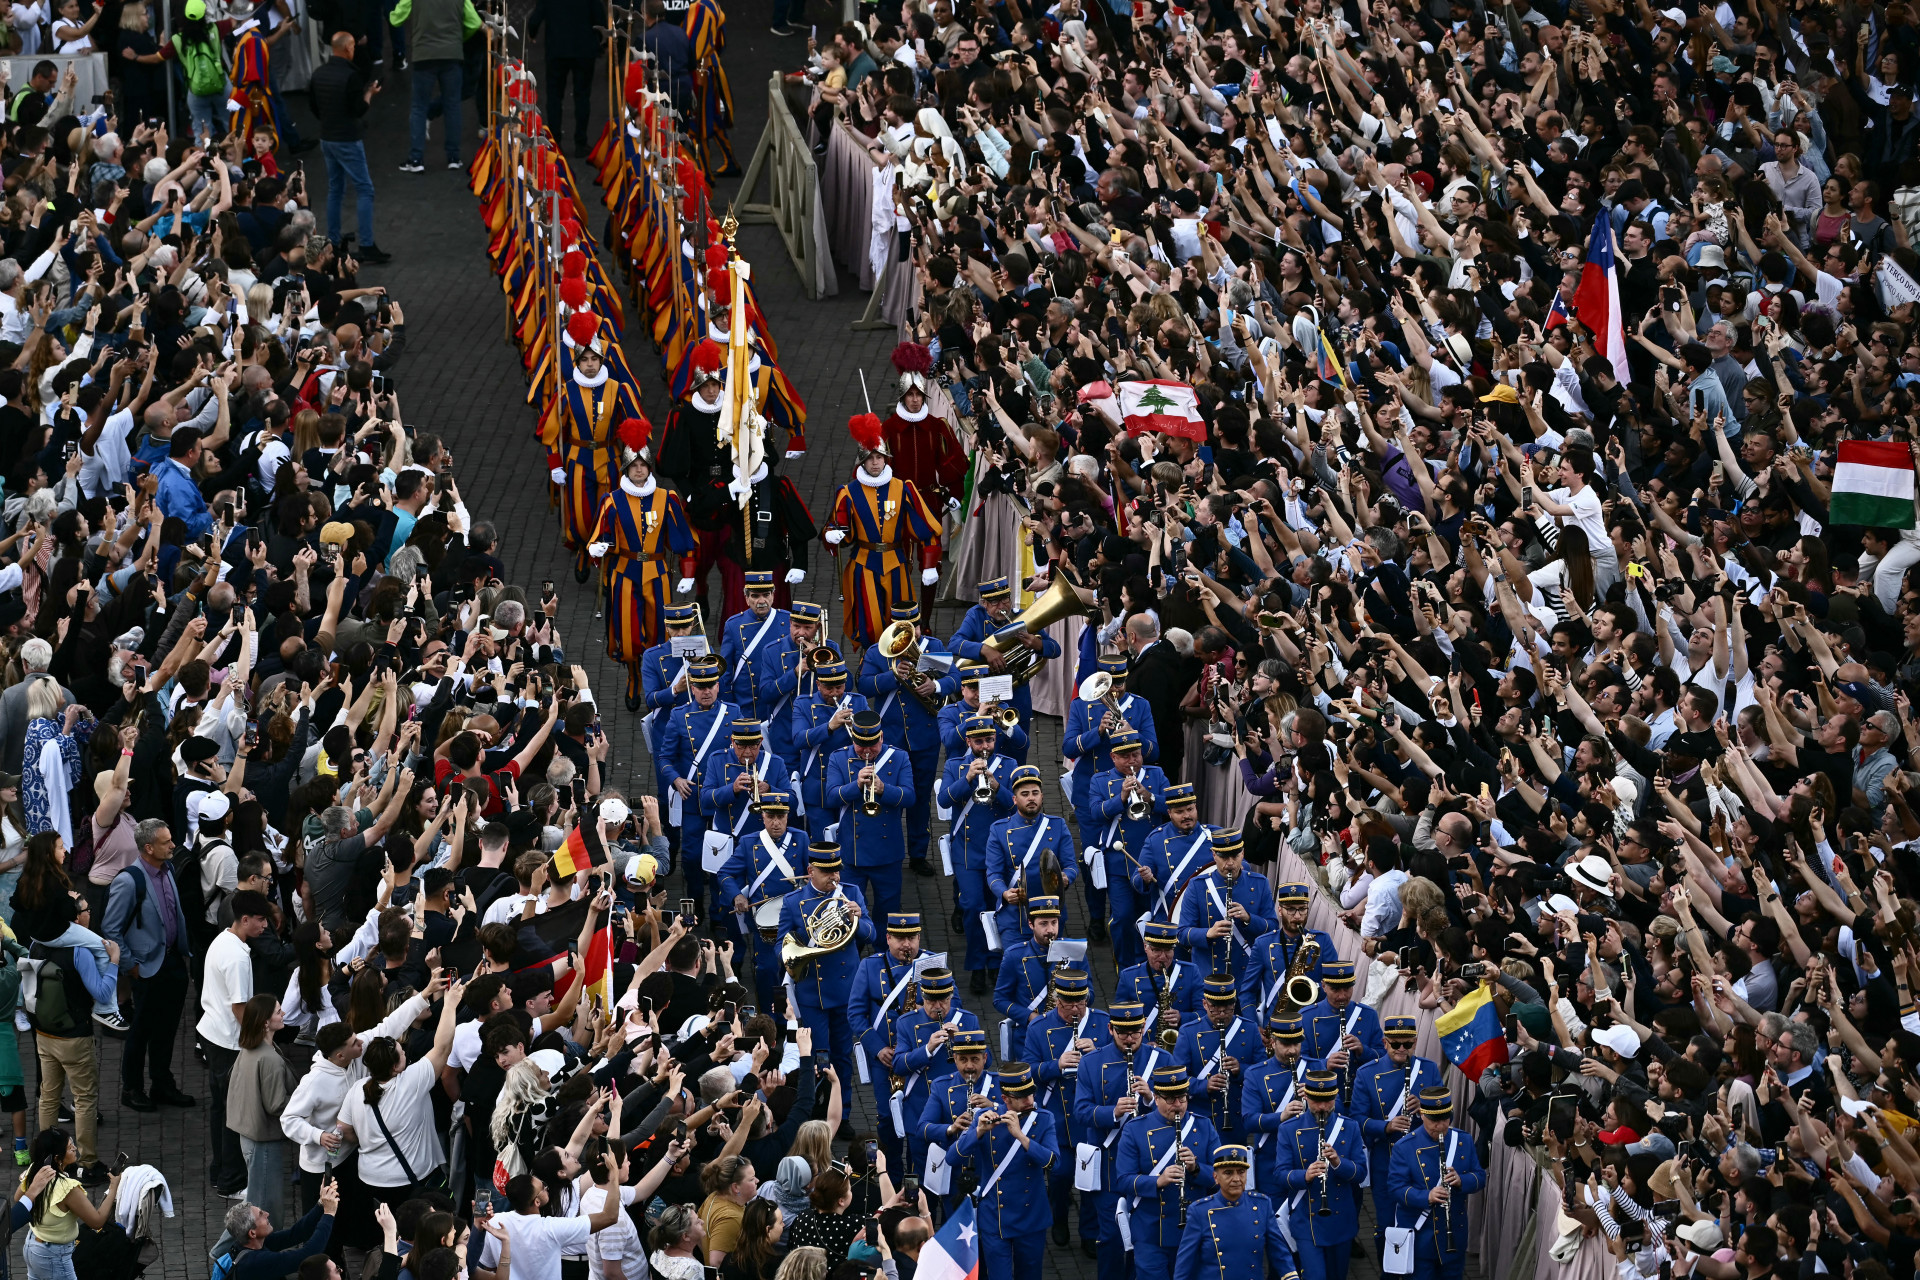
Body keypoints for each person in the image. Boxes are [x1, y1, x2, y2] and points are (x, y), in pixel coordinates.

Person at [587, 419, 696, 709]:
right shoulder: (612, 501)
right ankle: (634, 676)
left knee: (660, 632)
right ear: (625, 469)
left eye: (642, 465)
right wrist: (598, 548)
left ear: (649, 468)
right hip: (624, 573)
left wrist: (688, 570)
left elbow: (682, 537)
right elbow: (600, 538)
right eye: (633, 465)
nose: (638, 469)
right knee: (629, 634)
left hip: (658, 573)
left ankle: (657, 681)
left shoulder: (667, 498)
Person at [821, 417, 941, 646]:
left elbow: (925, 527)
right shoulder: (847, 492)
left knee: (901, 621)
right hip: (863, 565)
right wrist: (831, 534)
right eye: (870, 458)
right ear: (862, 462)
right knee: (869, 622)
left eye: (879, 457)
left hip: (897, 563)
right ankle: (871, 663)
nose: (875, 463)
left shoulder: (903, 487)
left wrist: (929, 564)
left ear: (886, 459)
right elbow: (838, 528)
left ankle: (903, 663)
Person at [778, 843, 872, 1093]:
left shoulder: (851, 894)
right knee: (819, 1055)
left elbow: (870, 934)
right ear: (811, 871)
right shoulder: (793, 902)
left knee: (843, 1055)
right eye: (827, 872)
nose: (835, 877)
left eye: (837, 871)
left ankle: (843, 1112)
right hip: (812, 992)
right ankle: (817, 1109)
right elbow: (781, 946)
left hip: (845, 990)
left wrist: (858, 918)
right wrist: (796, 957)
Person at [951, 1063, 1056, 1280]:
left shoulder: (1044, 1119)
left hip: (1031, 1216)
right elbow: (952, 1157)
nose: (1029, 1100)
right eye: (1022, 1096)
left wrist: (1022, 1137)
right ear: (1005, 1098)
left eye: (1031, 1093)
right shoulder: (986, 1118)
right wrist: (978, 1132)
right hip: (995, 1217)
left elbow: (1054, 1163)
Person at [1117, 1066, 1219, 1280]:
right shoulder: (1135, 1129)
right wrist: (1157, 1181)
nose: (1178, 1105)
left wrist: (1196, 1168)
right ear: (1156, 1097)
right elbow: (1124, 1180)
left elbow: (1221, 1179)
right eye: (1171, 1100)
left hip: (1194, 1229)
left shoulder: (1204, 1126)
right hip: (1151, 1230)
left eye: (1182, 1098)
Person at [200, 889, 271, 1197]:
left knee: (220, 1110)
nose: (265, 925)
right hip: (228, 1044)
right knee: (234, 1117)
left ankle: (219, 1172)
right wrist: (259, 1041)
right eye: (260, 919)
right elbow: (240, 1009)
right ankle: (231, 1182)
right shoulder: (239, 958)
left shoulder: (222, 941)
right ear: (244, 920)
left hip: (212, 1035)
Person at [940, 713, 1015, 990]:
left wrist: (996, 786)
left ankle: (996, 962)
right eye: (979, 740)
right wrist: (968, 778)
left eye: (989, 739)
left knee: (996, 908)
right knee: (972, 907)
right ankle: (976, 965)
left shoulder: (1009, 765)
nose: (984, 745)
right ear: (969, 741)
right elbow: (944, 800)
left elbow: (1014, 806)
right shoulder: (955, 765)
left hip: (999, 851)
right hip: (967, 851)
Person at [1273, 1070, 1366, 1280]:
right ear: (1306, 1096)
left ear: (1335, 1097)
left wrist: (1338, 1163)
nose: (1322, 1107)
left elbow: (1361, 1174)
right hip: (1307, 1219)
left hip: (1341, 1220)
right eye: (1316, 1101)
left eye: (1328, 1100)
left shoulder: (1349, 1127)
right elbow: (1279, 1175)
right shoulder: (1289, 1129)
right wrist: (1305, 1175)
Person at [1386, 1087, 1486, 1280]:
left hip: (1454, 1234)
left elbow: (1480, 1177)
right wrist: (1427, 1196)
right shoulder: (1404, 1147)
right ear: (1422, 1115)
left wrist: (1461, 1180)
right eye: (1434, 1120)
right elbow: (1396, 1188)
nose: (1440, 1126)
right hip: (1420, 1236)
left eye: (1445, 1120)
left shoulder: (1462, 1140)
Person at [308, 31, 390, 262]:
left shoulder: (318, 73)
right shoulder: (351, 76)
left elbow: (313, 107)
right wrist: (369, 94)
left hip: (327, 138)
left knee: (335, 188)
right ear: (347, 48)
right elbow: (358, 109)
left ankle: (333, 240)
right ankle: (366, 244)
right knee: (365, 189)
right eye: (353, 46)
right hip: (347, 139)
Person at [824, 711, 912, 921]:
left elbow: (910, 797)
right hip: (852, 854)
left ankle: (883, 949)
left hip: (888, 852)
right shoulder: (838, 757)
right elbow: (830, 797)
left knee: (888, 908)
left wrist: (883, 789)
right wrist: (855, 785)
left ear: (881, 737)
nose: (867, 751)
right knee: (848, 911)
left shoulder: (899, 757)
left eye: (872, 744)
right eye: (861, 745)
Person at [1170, 1144, 1296, 1280]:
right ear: (1215, 1177)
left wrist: (1291, 1277)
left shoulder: (1262, 1205)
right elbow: (1185, 1263)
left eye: (1241, 1172)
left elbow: (1279, 1252)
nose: (1236, 1179)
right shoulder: (1200, 1211)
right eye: (1228, 1173)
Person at [228, 995, 296, 1226]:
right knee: (265, 1208)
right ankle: (225, 1253)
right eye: (278, 1011)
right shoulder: (270, 1058)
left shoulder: (249, 1048)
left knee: (257, 1204)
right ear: (266, 1022)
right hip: (264, 1141)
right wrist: (304, 1101)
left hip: (249, 1136)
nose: (283, 1014)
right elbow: (276, 1104)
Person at [18, 1129, 119, 1280]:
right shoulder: (67, 1188)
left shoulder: (35, 1170)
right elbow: (97, 1222)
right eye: (70, 1147)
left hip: (32, 1245)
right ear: (58, 1158)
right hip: (53, 1255)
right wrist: (113, 1188)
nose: (75, 1149)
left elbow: (18, 1199)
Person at [391, 0, 474, 171]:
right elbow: (474, 23)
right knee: (452, 105)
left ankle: (416, 159)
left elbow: (395, 19)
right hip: (452, 55)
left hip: (424, 56)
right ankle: (453, 157)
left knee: (419, 107)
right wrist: (459, 38)